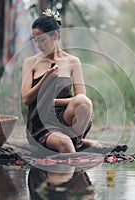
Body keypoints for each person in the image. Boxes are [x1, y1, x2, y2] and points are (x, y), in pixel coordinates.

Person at [21, 10, 96, 153]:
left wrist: (53, 101)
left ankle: (77, 141)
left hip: (65, 117)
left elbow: (81, 99)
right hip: (40, 121)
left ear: (55, 36)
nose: (38, 45)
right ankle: (72, 146)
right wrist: (45, 79)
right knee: (65, 144)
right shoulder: (30, 62)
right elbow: (26, 99)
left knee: (84, 102)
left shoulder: (73, 61)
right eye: (35, 40)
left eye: (41, 40)